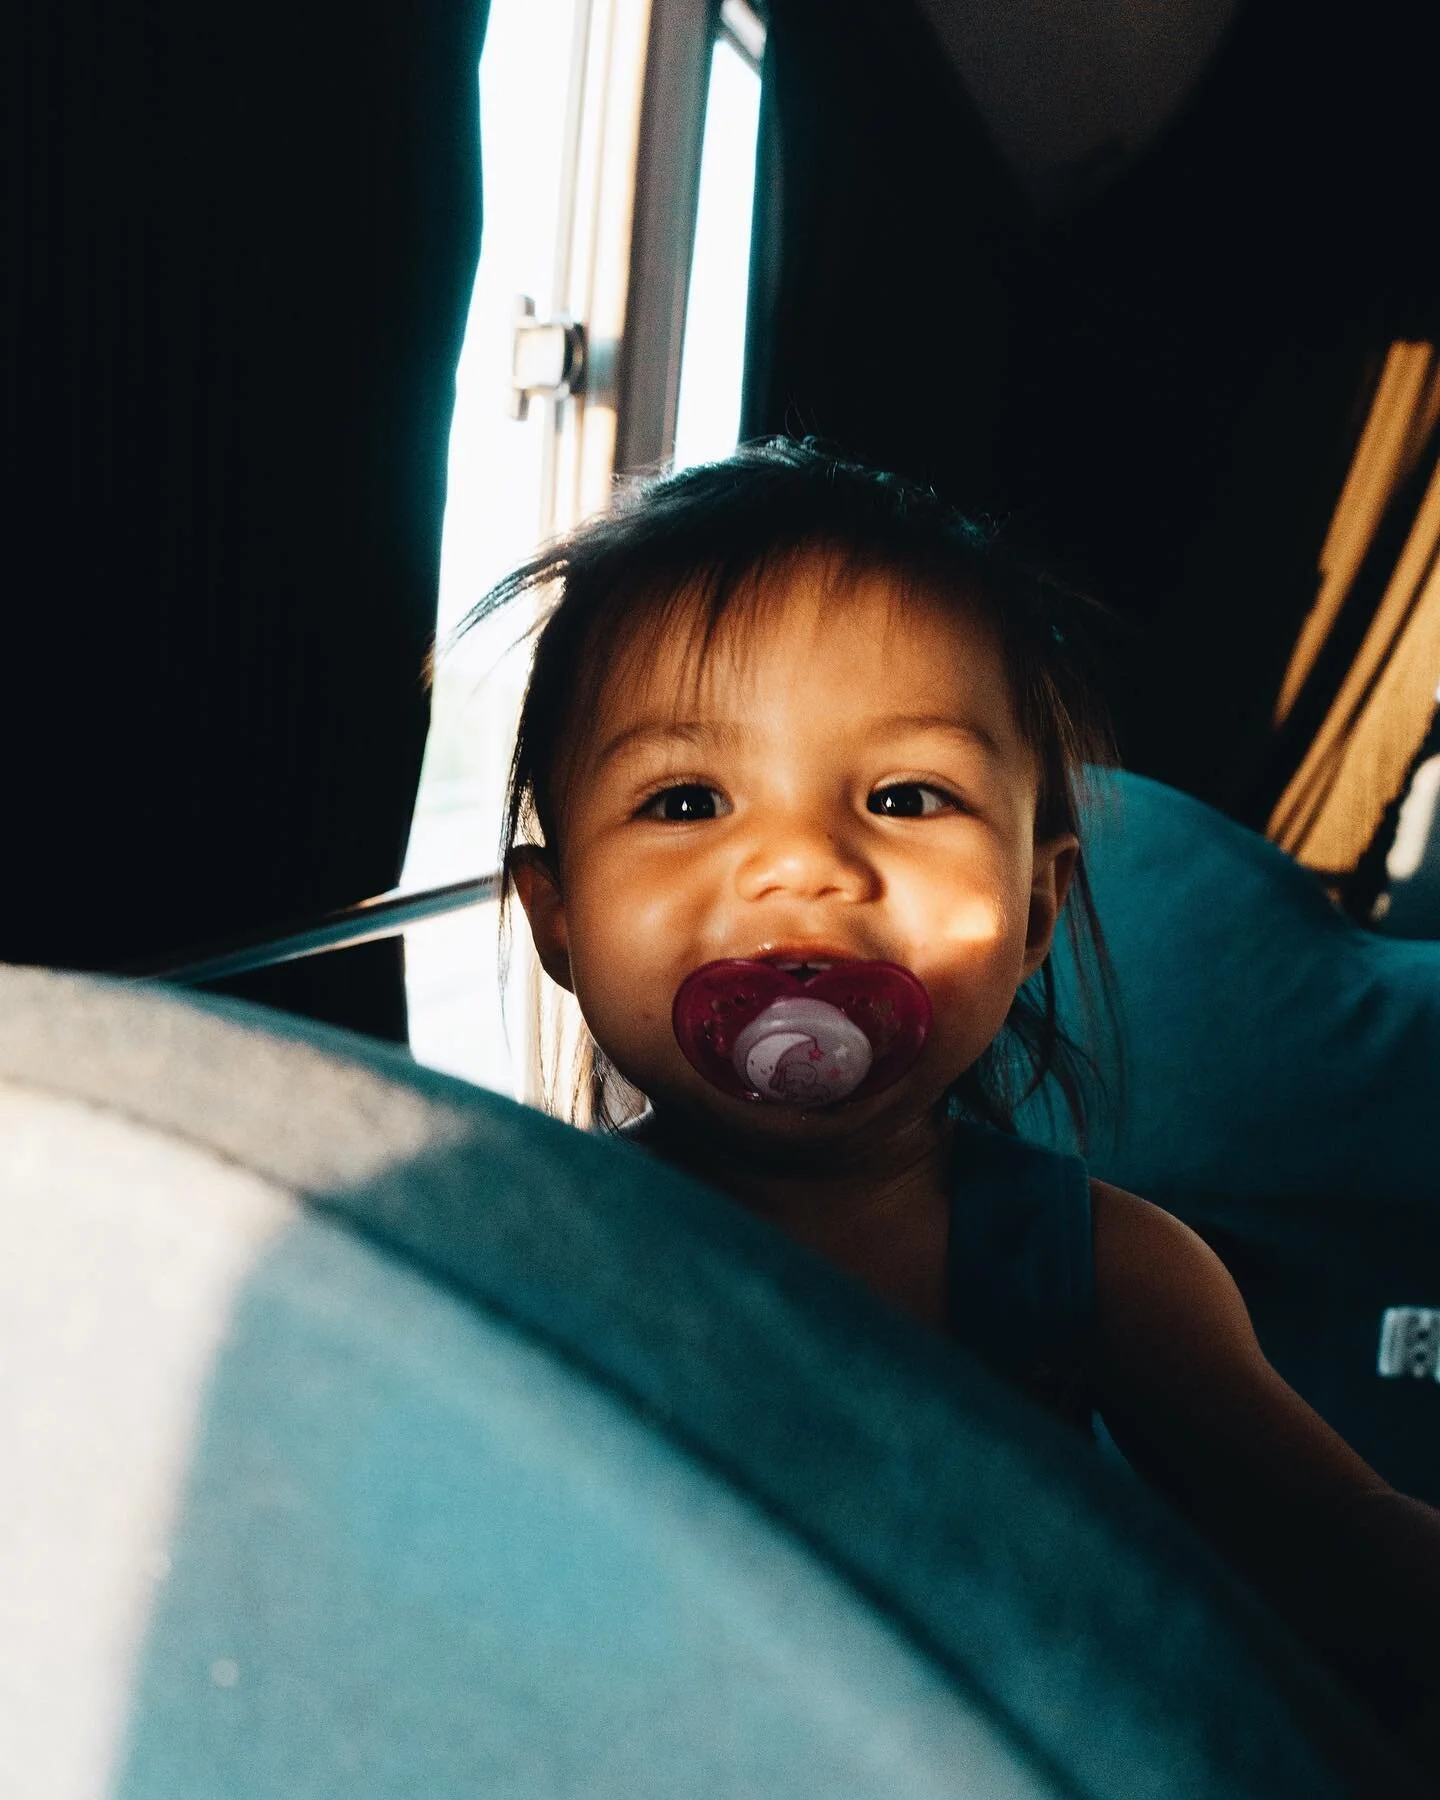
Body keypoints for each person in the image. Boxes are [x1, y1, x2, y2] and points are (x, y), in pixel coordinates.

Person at [464, 438, 1440, 1760]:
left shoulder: (1096, 1267)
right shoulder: (514, 1248)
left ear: (1038, 910)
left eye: (905, 796)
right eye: (687, 799)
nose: (803, 866)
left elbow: (1332, 1540)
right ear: (558, 918)